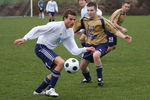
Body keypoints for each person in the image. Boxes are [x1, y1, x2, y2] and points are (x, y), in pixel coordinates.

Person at [13, 9, 95, 97]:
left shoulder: (70, 32)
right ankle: (50, 89)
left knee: (55, 72)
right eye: (70, 19)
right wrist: (25, 38)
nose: (73, 21)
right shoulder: (55, 25)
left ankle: (38, 90)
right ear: (64, 19)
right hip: (41, 47)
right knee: (61, 62)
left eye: (74, 19)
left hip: (47, 50)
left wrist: (86, 49)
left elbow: (73, 50)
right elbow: (37, 29)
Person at [73, 2, 132, 86]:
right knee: (82, 66)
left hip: (101, 44)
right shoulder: (84, 20)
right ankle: (88, 79)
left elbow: (114, 30)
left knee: (96, 55)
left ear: (96, 10)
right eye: (88, 10)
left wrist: (124, 37)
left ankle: (100, 79)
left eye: (92, 10)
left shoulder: (102, 20)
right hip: (89, 45)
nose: (90, 12)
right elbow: (73, 28)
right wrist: (74, 32)